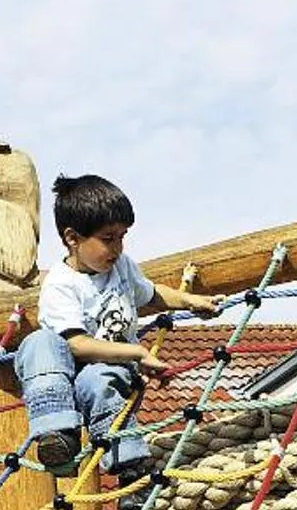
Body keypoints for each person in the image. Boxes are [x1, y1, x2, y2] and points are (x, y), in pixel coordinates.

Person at [13, 173, 220, 484]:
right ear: (73, 238)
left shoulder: (121, 267)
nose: (118, 247)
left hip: (109, 377)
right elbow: (77, 344)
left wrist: (189, 301)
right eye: (108, 239)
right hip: (66, 380)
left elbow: (151, 294)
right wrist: (137, 352)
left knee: (97, 379)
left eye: (122, 237)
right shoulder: (60, 284)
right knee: (38, 342)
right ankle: (58, 438)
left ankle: (131, 471)